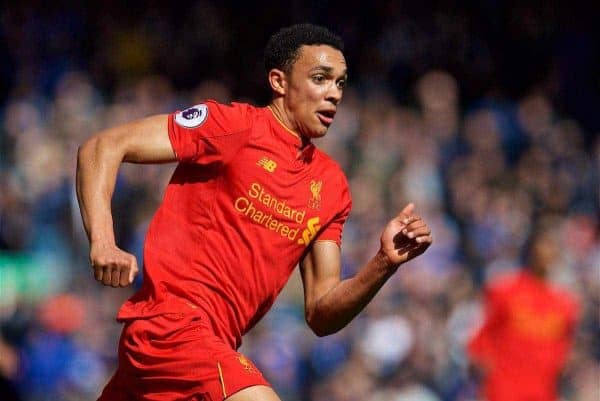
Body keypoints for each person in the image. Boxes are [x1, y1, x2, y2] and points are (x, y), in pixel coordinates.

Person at [76, 24, 433, 401]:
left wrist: (383, 263)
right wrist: (103, 241)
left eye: (341, 84)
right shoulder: (233, 126)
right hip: (172, 325)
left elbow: (321, 313)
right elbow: (103, 147)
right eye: (320, 79)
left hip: (211, 345)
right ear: (279, 82)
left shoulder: (331, 188)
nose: (333, 94)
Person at [468, 229, 580, 401]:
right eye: (542, 247)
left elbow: (565, 350)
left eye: (552, 248)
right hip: (503, 392)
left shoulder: (564, 305)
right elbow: (482, 338)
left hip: (543, 393)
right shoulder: (505, 292)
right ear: (530, 251)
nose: (546, 254)